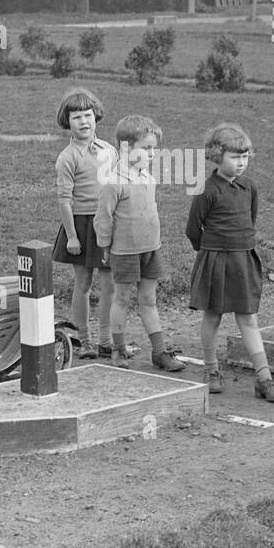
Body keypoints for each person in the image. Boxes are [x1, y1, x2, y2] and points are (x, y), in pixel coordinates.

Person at [186, 123, 274, 403]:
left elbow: (250, 221)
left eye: (244, 157)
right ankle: (211, 370)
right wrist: (210, 252)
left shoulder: (249, 187)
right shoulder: (206, 190)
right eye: (234, 157)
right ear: (217, 156)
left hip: (243, 259)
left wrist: (239, 247)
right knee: (213, 316)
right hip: (215, 260)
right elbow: (193, 229)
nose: (240, 163)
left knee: (249, 319)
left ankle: (264, 378)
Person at [94, 114, 183, 372]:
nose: (152, 154)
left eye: (154, 149)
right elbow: (103, 219)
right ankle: (118, 350)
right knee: (121, 299)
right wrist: (105, 246)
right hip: (124, 252)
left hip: (151, 250)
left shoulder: (148, 178)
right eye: (146, 148)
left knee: (149, 300)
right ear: (126, 148)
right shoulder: (113, 182)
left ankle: (159, 352)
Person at [51, 88, 117, 359]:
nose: (84, 121)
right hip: (80, 224)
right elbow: (64, 200)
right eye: (76, 117)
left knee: (110, 283)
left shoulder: (110, 150)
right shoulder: (68, 157)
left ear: (96, 116)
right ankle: (85, 340)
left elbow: (118, 187)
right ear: (68, 121)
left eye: (87, 115)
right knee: (83, 283)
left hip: (107, 223)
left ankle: (105, 338)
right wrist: (72, 236)